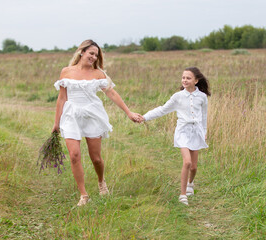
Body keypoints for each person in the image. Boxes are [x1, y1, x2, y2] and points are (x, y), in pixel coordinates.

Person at [52, 39, 143, 206]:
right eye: (91, 53)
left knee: (96, 158)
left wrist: (128, 112)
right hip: (71, 115)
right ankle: (84, 195)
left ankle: (101, 182)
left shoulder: (98, 74)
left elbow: (112, 94)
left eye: (96, 55)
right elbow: (62, 98)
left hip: (92, 115)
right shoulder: (66, 72)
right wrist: (56, 123)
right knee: (74, 156)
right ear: (82, 52)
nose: (93, 57)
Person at [141, 67, 211, 205]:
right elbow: (162, 109)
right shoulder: (177, 97)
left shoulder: (202, 97)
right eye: (183, 77)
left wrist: (204, 132)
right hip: (183, 131)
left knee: (194, 167)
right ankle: (183, 194)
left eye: (188, 78)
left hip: (196, 132)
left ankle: (191, 184)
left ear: (196, 81)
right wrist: (144, 117)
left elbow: (204, 116)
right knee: (187, 162)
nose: (185, 80)